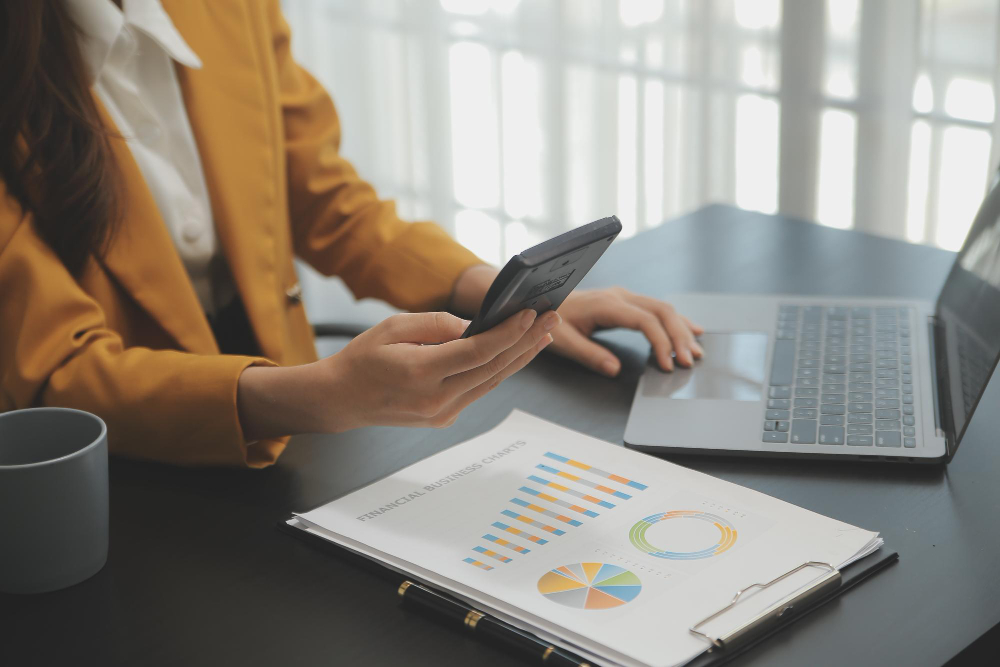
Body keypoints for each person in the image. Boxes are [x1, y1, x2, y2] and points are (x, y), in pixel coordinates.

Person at [0, 0, 703, 467]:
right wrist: (316, 394)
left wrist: (502, 291)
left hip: (300, 444)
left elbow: (323, 198)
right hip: (122, 480)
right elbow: (59, 376)